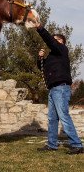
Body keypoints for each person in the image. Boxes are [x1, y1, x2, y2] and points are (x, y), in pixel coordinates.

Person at [35, 23, 83, 155]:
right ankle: (52, 144)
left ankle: (77, 145)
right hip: (53, 89)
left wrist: (40, 29)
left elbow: (50, 41)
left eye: (57, 39)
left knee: (63, 116)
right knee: (52, 118)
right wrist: (40, 58)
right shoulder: (51, 57)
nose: (54, 40)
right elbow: (42, 68)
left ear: (62, 42)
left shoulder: (62, 50)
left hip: (61, 88)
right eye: (54, 39)